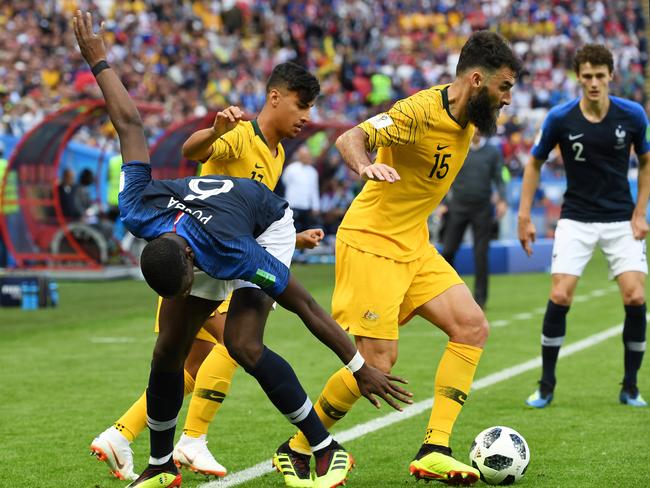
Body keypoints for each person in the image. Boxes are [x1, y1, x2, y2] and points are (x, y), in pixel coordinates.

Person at [73, 11, 411, 488]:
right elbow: (128, 122)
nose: (194, 294)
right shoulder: (137, 208)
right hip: (219, 229)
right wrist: (98, 60)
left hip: (265, 228)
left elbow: (305, 304)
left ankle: (324, 447)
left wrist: (358, 368)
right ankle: (161, 464)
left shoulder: (234, 254)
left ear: (190, 262)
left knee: (243, 344)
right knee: (168, 350)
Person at [274, 30, 521, 486]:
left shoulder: (472, 118)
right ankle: (298, 447)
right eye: (505, 87)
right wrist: (365, 165)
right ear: (476, 80)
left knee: (472, 326)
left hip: (414, 244)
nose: (509, 99)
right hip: (372, 241)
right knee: (378, 363)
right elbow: (352, 137)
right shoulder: (418, 111)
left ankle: (435, 449)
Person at [91, 62, 326, 481]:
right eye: (302, 104)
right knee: (238, 345)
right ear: (275, 97)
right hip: (197, 266)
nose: (307, 115)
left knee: (191, 365)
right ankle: (191, 439)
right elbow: (193, 150)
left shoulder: (278, 153)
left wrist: (294, 239)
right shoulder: (240, 134)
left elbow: (255, 216)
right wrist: (217, 131)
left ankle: (121, 434)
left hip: (222, 264)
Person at [518, 44, 650, 409]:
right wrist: (524, 216)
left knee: (636, 296)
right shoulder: (561, 118)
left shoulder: (633, 115)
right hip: (575, 217)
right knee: (560, 295)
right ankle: (546, 386)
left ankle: (631, 387)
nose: (593, 82)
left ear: (611, 76)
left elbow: (647, 160)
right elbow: (533, 163)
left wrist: (641, 212)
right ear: (579, 77)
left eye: (599, 75)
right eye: (587, 76)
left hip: (621, 217)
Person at [440, 130, 507, 309]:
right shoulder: (457, 147)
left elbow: (499, 178)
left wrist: (502, 200)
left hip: (482, 208)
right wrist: (443, 203)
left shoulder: (492, 151)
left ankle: (480, 300)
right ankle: (449, 295)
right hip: (458, 207)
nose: (476, 129)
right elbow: (446, 176)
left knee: (480, 255)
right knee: (447, 251)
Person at [282, 144, 321, 232]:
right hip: (293, 204)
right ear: (300, 156)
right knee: (290, 229)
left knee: (305, 230)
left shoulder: (313, 172)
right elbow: (285, 182)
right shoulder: (291, 168)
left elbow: (314, 190)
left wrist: (316, 206)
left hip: (306, 206)